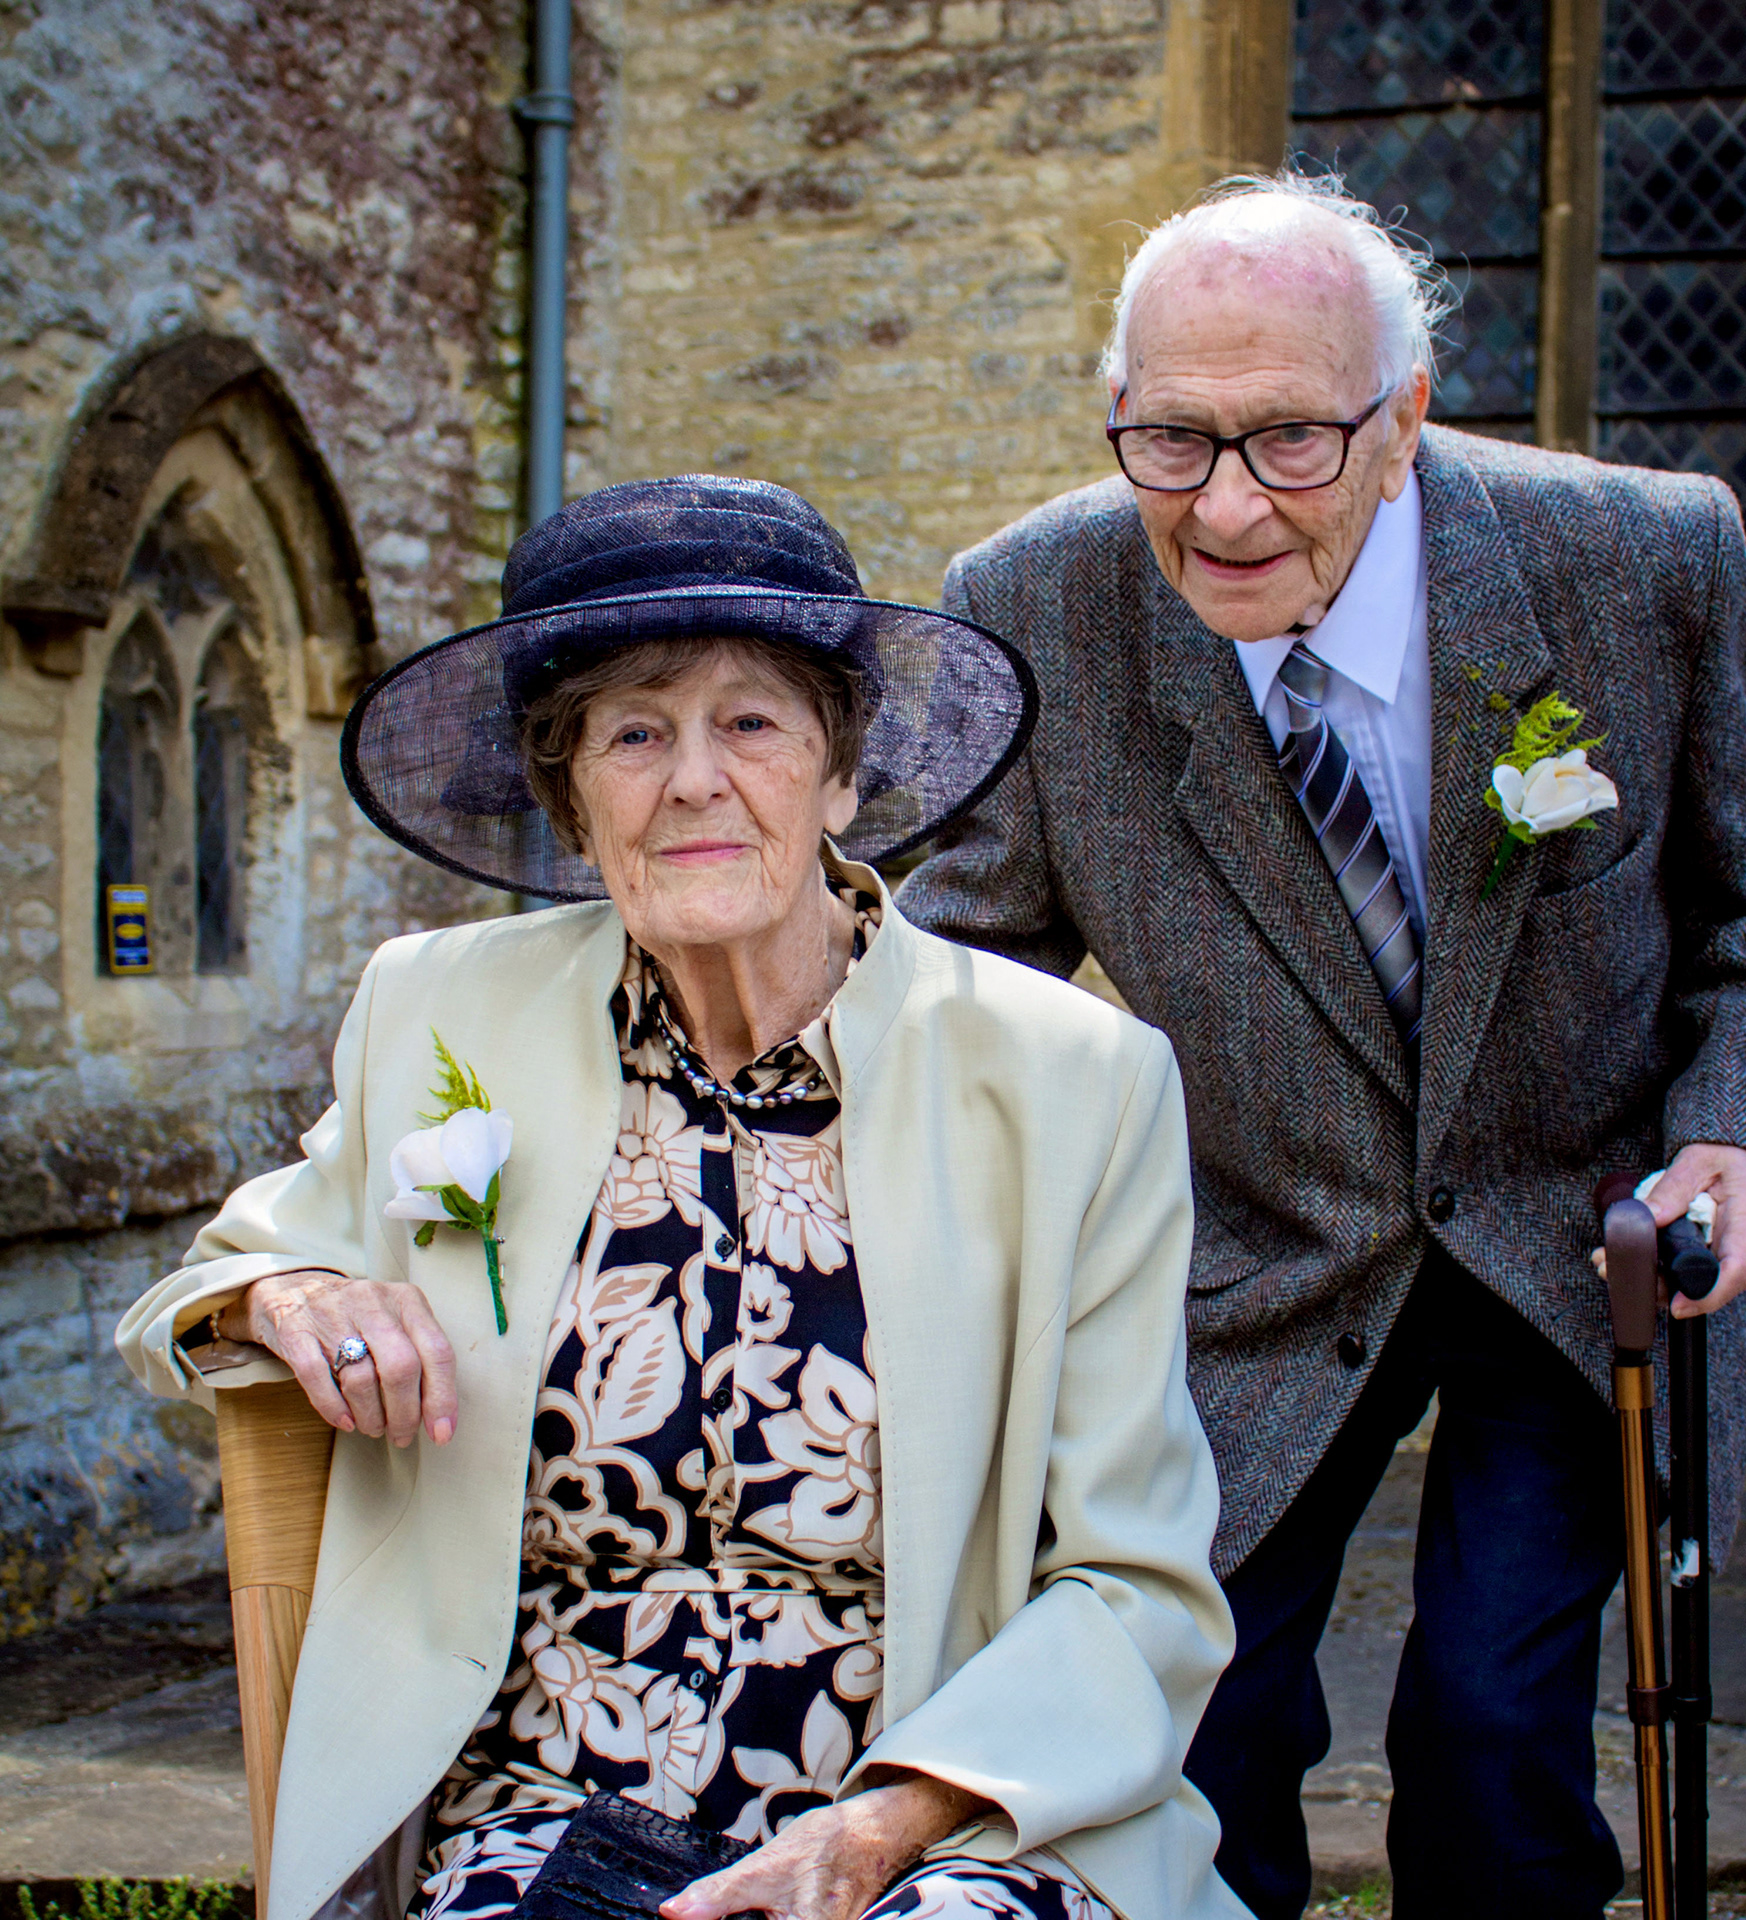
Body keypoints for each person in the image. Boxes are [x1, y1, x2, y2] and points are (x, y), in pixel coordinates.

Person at [896, 173, 1746, 1917]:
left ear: (1405, 417)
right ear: (1116, 411)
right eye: (1171, 440)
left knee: (1490, 1729)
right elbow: (960, 974)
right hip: (1259, 1250)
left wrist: (1733, 1127)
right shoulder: (1039, 602)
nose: (1227, 507)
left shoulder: (1638, 560)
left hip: (1572, 1241)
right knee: (1194, 1717)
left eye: (1290, 440)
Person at [118, 477, 1245, 1920]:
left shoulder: (1075, 1081)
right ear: (571, 801)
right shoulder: (444, 1012)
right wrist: (293, 1291)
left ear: (841, 778)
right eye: (634, 734)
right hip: (543, 1803)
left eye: (752, 724)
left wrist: (886, 1829)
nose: (695, 780)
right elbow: (201, 1296)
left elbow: (1133, 1581)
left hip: (934, 1813)